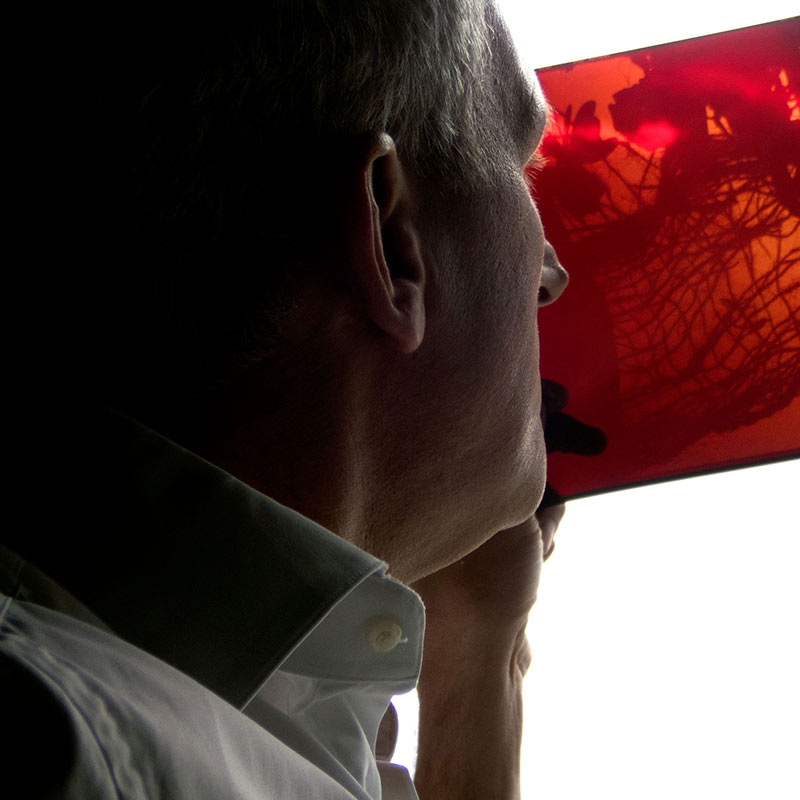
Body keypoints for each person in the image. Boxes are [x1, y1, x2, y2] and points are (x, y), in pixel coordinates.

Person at [2, 1, 569, 797]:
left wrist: (482, 660)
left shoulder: (218, 707)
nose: (551, 274)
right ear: (392, 241)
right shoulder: (75, 749)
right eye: (522, 166)